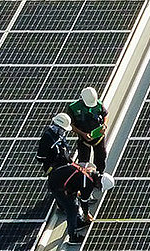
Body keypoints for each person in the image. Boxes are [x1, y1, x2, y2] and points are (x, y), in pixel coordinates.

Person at [37, 111, 102, 242]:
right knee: (72, 207)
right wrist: (54, 163)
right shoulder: (48, 138)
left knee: (69, 196)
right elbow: (41, 157)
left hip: (64, 169)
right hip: (55, 172)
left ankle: (68, 212)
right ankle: (73, 235)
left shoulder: (59, 135)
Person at [66, 86, 108, 167]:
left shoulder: (98, 104)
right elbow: (70, 124)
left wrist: (104, 125)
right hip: (83, 140)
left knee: (100, 160)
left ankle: (99, 176)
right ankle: (85, 178)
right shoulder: (73, 108)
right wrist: (82, 134)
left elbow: (105, 115)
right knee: (83, 163)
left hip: (99, 138)